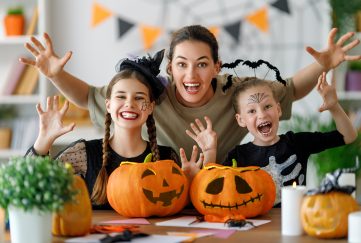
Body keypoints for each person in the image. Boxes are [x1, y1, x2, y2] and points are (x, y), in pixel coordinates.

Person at [20, 25, 361, 162]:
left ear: (217, 67)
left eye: (201, 64)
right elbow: (91, 96)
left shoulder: (237, 92)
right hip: (162, 190)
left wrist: (325, 64)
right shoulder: (151, 96)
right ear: (170, 70)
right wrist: (56, 74)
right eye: (181, 65)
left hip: (213, 190)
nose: (191, 74)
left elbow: (291, 90)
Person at [25, 50, 184, 209]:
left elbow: (177, 204)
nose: (129, 104)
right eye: (121, 96)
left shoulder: (166, 158)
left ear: (150, 107)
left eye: (139, 97)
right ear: (108, 105)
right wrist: (43, 141)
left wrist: (189, 178)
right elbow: (30, 186)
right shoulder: (84, 154)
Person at [223, 72, 357, 205]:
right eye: (252, 111)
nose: (262, 115)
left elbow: (348, 136)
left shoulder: (297, 143)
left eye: (267, 106)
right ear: (241, 120)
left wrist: (334, 106)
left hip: (298, 220)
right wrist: (209, 152)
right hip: (258, 225)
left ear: (278, 109)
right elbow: (219, 190)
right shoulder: (237, 156)